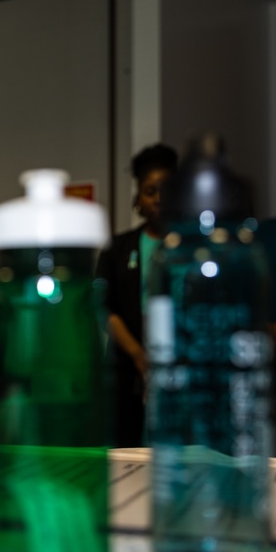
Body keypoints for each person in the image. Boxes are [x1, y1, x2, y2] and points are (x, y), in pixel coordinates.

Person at [96, 143, 178, 447]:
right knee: (123, 451)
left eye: (167, 190)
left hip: (179, 368)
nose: (159, 199)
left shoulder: (192, 249)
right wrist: (138, 354)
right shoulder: (117, 248)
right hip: (125, 368)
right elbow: (105, 306)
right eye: (150, 191)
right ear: (138, 200)